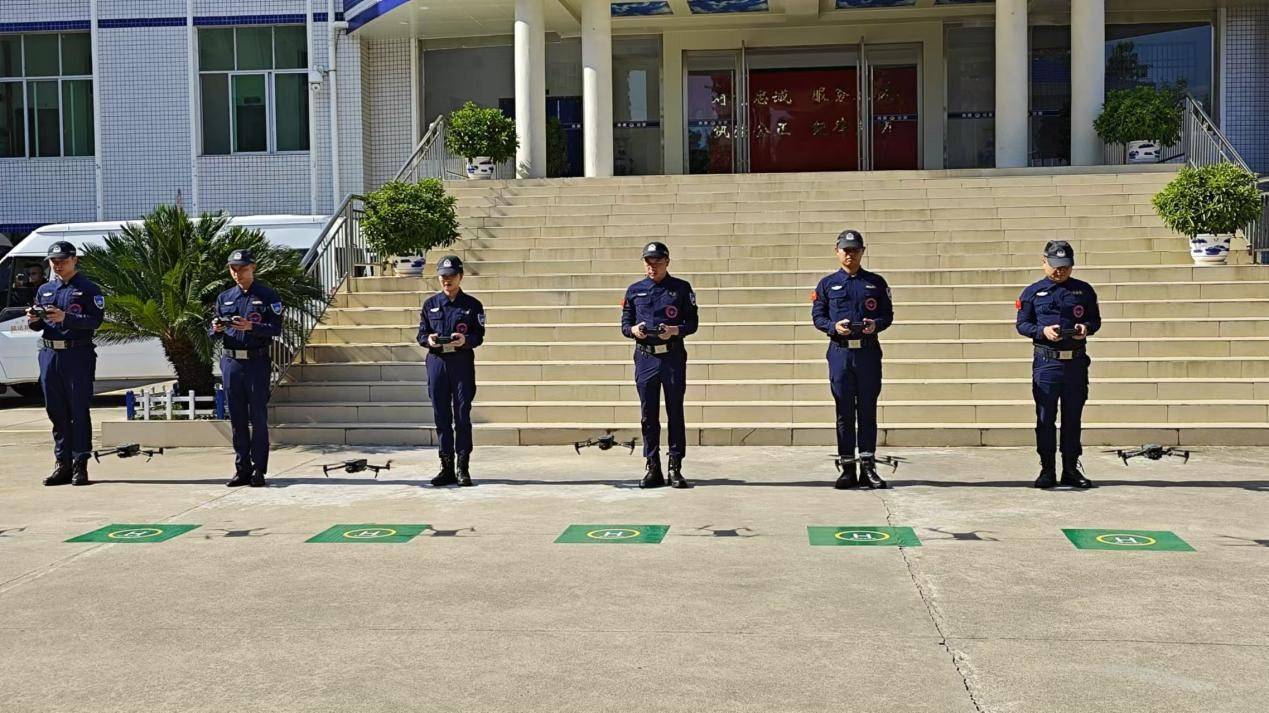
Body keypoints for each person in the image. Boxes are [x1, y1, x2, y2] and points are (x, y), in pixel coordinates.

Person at [811, 229, 894, 490]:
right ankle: (847, 467)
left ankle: (868, 467)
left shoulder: (876, 283)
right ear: (837, 251)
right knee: (844, 411)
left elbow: (887, 314)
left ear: (862, 252)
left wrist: (875, 325)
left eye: (855, 250)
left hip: (868, 352)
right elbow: (818, 317)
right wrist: (834, 327)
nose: (850, 254)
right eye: (846, 250)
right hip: (841, 353)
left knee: (867, 409)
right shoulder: (827, 284)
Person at [1016, 240, 1101, 489]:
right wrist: (1042, 331)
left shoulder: (1084, 291)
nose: (1059, 271)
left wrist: (1085, 328)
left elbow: (1095, 320)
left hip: (1075, 363)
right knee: (1045, 418)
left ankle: (1071, 469)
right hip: (1047, 362)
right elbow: (1022, 324)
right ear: (1044, 262)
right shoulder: (1032, 292)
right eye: (1055, 266)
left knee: (1073, 418)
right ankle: (1047, 469)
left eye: (1065, 267)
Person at [620, 242, 698, 489]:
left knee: (675, 411)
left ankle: (675, 465)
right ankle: (652, 465)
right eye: (648, 262)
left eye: (657, 262)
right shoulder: (634, 290)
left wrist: (674, 330)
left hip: (672, 356)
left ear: (667, 262)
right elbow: (624, 325)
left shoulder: (681, 289)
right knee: (648, 415)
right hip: (646, 357)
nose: (652, 267)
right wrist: (634, 330)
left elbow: (693, 323)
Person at [27, 241, 104, 486]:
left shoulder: (88, 289)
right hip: (50, 355)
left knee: (78, 410)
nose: (58, 265)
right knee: (56, 411)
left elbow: (95, 321)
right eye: (53, 261)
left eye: (62, 260)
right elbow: (39, 324)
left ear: (74, 260)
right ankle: (62, 464)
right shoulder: (45, 289)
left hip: (76, 354)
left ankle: (80, 463)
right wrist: (33, 319)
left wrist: (66, 317)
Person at [211, 249, 282, 488]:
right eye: (233, 269)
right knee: (237, 418)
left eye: (241, 268)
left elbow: (275, 328)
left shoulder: (267, 295)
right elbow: (213, 331)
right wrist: (216, 329)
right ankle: (242, 469)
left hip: (256, 361)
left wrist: (252, 326)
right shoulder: (225, 297)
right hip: (231, 362)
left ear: (253, 268)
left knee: (258, 417)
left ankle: (258, 469)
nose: (237, 273)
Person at [416, 255, 485, 487]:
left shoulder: (472, 305)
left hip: (461, 363)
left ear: (460, 276)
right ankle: (446, 467)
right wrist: (430, 340)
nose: (447, 280)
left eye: (452, 276)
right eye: (443, 277)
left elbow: (479, 336)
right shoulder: (430, 304)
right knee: (441, 416)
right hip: (437, 363)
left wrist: (465, 339)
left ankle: (462, 467)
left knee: (462, 415)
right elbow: (421, 335)